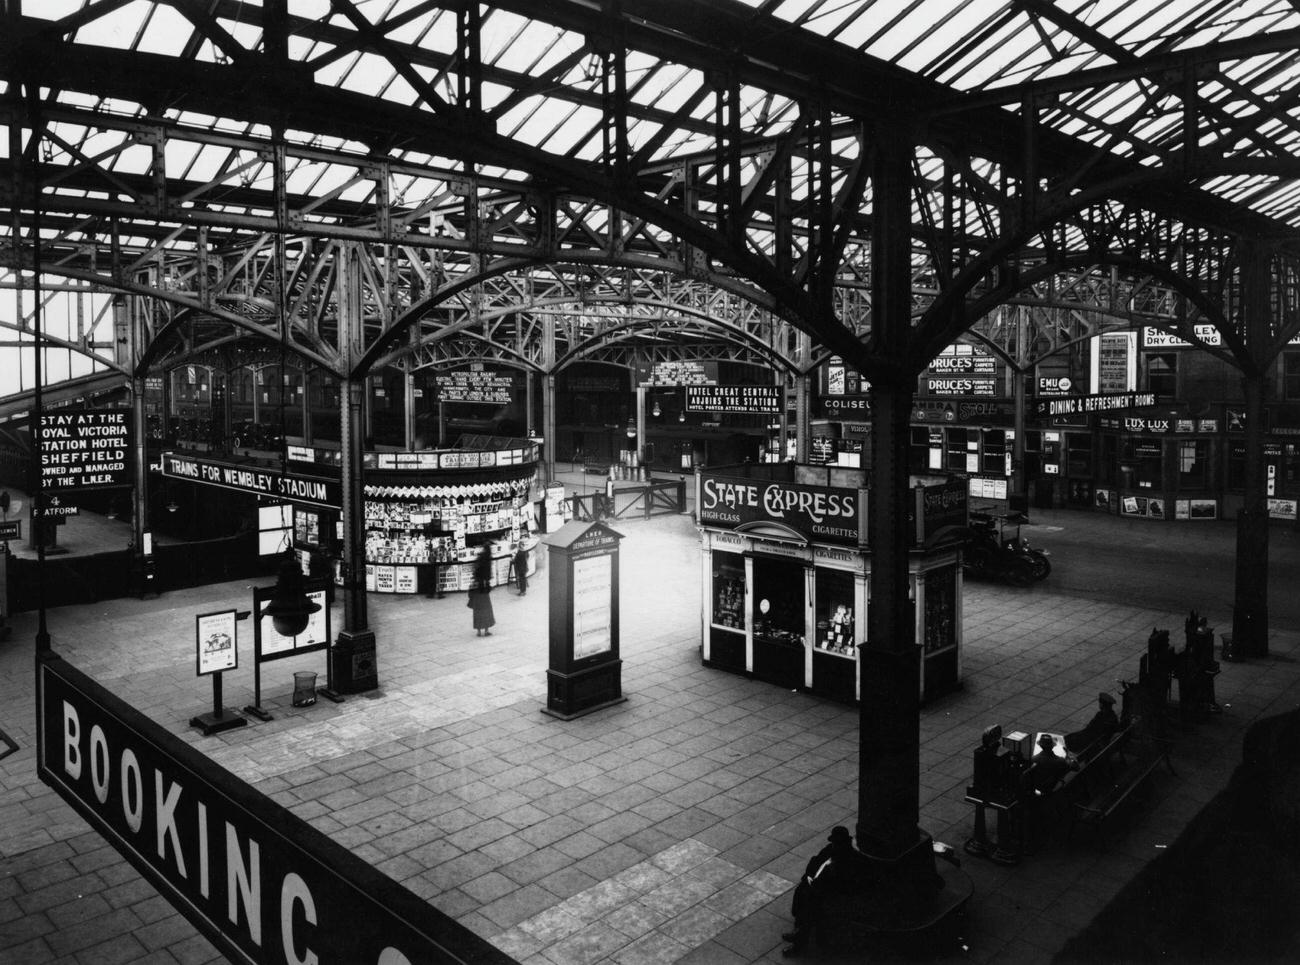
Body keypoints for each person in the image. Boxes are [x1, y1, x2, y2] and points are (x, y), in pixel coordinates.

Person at [782, 826, 867, 957]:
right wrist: (809, 876)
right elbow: (815, 860)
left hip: (831, 895)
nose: (834, 845)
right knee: (802, 890)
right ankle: (798, 929)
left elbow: (842, 885)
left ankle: (800, 941)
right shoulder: (831, 849)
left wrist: (817, 885)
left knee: (810, 907)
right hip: (819, 887)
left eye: (837, 843)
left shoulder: (849, 859)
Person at [1064, 691, 1120, 758]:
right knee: (1071, 737)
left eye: (1100, 703)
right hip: (1098, 739)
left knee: (1069, 739)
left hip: (1093, 741)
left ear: (1102, 704)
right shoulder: (1112, 716)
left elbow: (1091, 729)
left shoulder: (1101, 715)